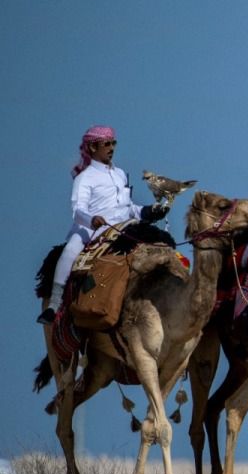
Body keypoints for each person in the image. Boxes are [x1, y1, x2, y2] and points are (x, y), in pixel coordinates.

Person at [38, 125, 166, 324]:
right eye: (106, 144)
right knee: (70, 252)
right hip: (92, 229)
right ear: (92, 148)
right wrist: (91, 219)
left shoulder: (120, 174)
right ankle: (54, 304)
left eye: (113, 142)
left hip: (123, 226)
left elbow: (127, 207)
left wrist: (149, 211)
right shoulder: (84, 178)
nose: (111, 147)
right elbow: (77, 209)